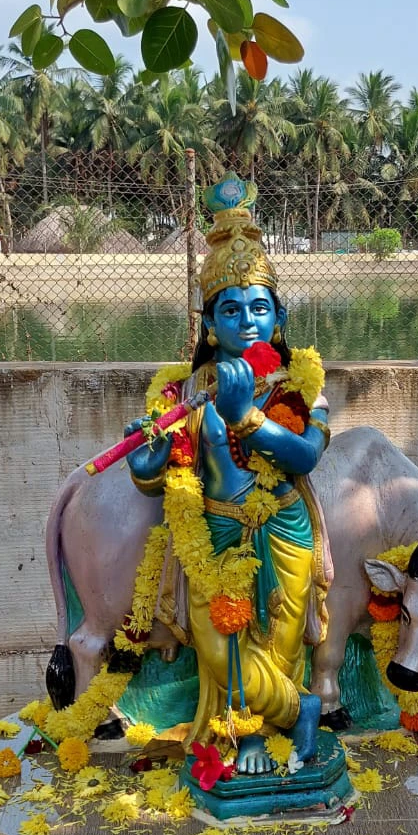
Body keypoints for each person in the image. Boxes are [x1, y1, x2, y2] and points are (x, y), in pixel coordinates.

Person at [125, 181, 330, 776]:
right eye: (231, 310)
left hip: (283, 526)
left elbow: (307, 454)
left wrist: (248, 418)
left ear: (280, 316)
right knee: (218, 645)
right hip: (211, 531)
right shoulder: (182, 389)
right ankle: (302, 710)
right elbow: (155, 474)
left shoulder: (302, 385)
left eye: (259, 307)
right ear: (209, 322)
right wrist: (147, 466)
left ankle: (258, 733)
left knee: (278, 641)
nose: (247, 321)